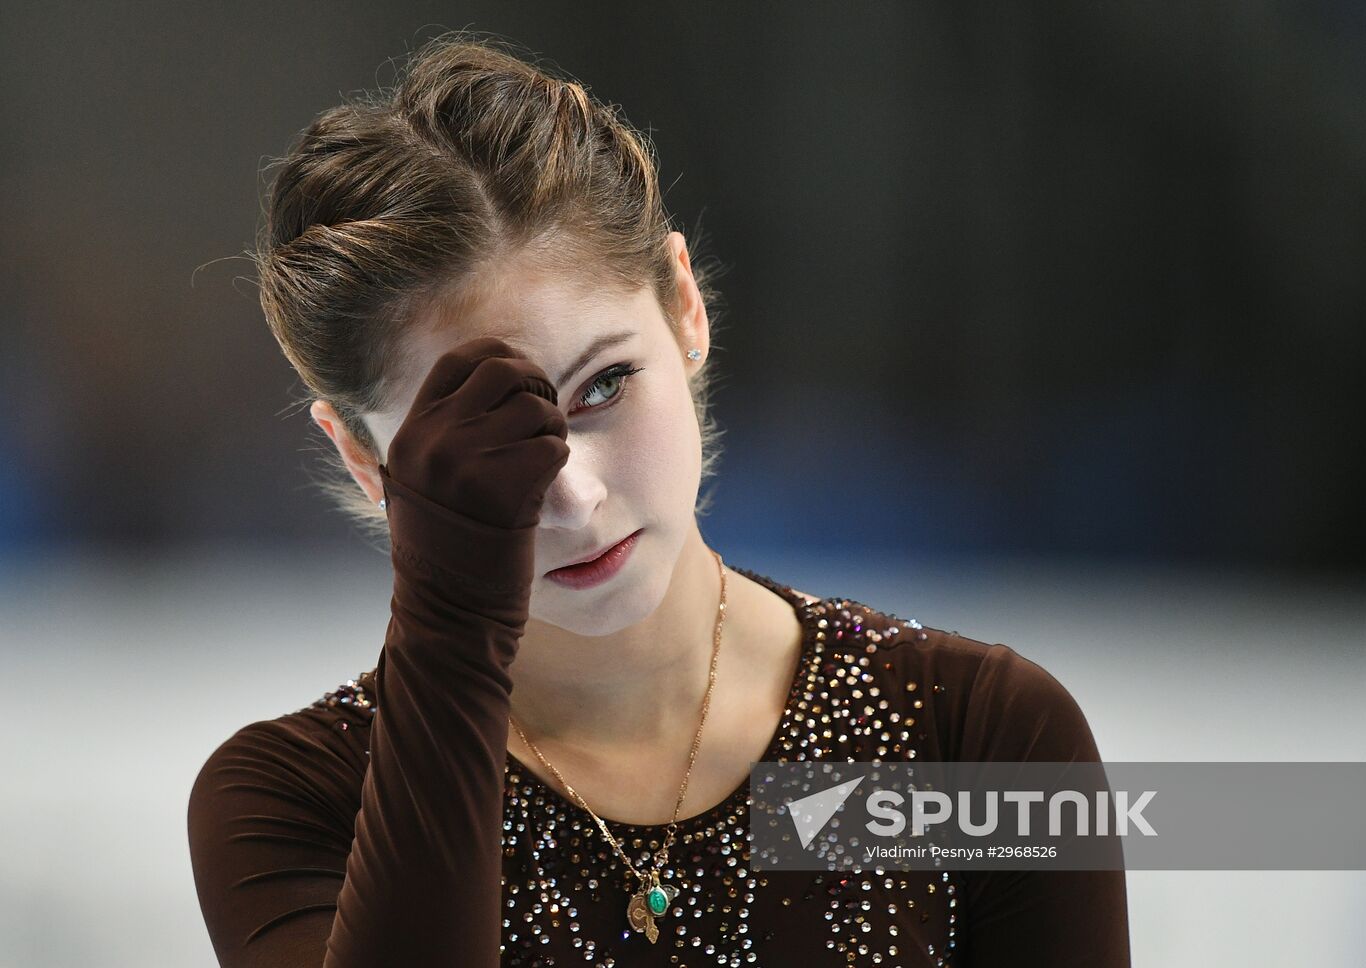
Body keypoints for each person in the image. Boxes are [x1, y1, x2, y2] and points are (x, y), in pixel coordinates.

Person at [186, 31, 1130, 968]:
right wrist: (451, 617)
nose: (571, 494)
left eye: (602, 386)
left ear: (685, 308)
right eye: (479, 445)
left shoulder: (972, 742)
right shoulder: (296, 800)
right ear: (364, 458)